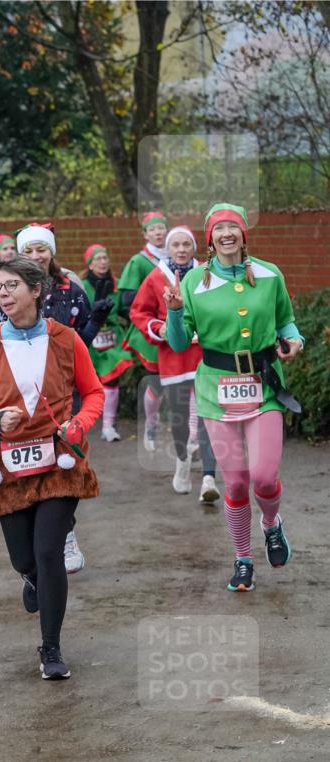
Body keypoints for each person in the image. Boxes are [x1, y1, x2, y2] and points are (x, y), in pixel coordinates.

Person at [0, 256, 104, 680]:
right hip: (9, 468)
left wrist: (79, 424)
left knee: (48, 551)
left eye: (12, 286)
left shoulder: (65, 339)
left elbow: (93, 393)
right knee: (25, 559)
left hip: (60, 462)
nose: (3, 293)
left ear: (36, 290)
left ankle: (51, 648)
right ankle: (32, 577)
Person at [163, 203, 303, 591]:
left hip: (264, 386)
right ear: (209, 238)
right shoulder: (193, 282)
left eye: (233, 227)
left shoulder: (269, 273)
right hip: (216, 390)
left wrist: (294, 340)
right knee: (237, 483)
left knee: (263, 476)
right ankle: (243, 558)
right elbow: (177, 343)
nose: (227, 234)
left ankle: (272, 524)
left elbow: (286, 319)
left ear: (244, 234)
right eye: (219, 228)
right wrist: (174, 311)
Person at [0, 223, 111, 574]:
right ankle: (37, 540)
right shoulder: (6, 289)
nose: (36, 255)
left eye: (42, 249)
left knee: (65, 460)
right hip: (22, 388)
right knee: (31, 462)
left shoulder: (71, 289)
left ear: (52, 253)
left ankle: (65, 533)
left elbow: (83, 337)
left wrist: (98, 321)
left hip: (64, 388)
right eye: (29, 250)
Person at [130, 226, 219, 502]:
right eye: (175, 245)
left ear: (194, 248)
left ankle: (208, 478)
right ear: (167, 249)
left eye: (186, 244)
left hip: (205, 356)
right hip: (173, 357)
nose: (181, 249)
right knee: (179, 419)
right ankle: (182, 462)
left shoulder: (207, 273)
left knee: (208, 417)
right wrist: (160, 328)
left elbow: (220, 306)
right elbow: (138, 312)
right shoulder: (156, 277)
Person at [118, 212, 168, 452]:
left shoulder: (178, 256)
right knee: (157, 381)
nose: (158, 232)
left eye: (161, 228)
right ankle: (151, 423)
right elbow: (127, 299)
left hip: (178, 330)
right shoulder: (139, 262)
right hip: (151, 330)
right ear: (145, 234)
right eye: (153, 229)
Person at [82, 243, 134, 442]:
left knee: (112, 380)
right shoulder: (82, 285)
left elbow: (127, 311)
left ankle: (108, 426)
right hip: (89, 337)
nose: (103, 262)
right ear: (89, 264)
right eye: (97, 259)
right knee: (87, 383)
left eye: (105, 258)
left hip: (112, 338)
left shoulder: (117, 285)